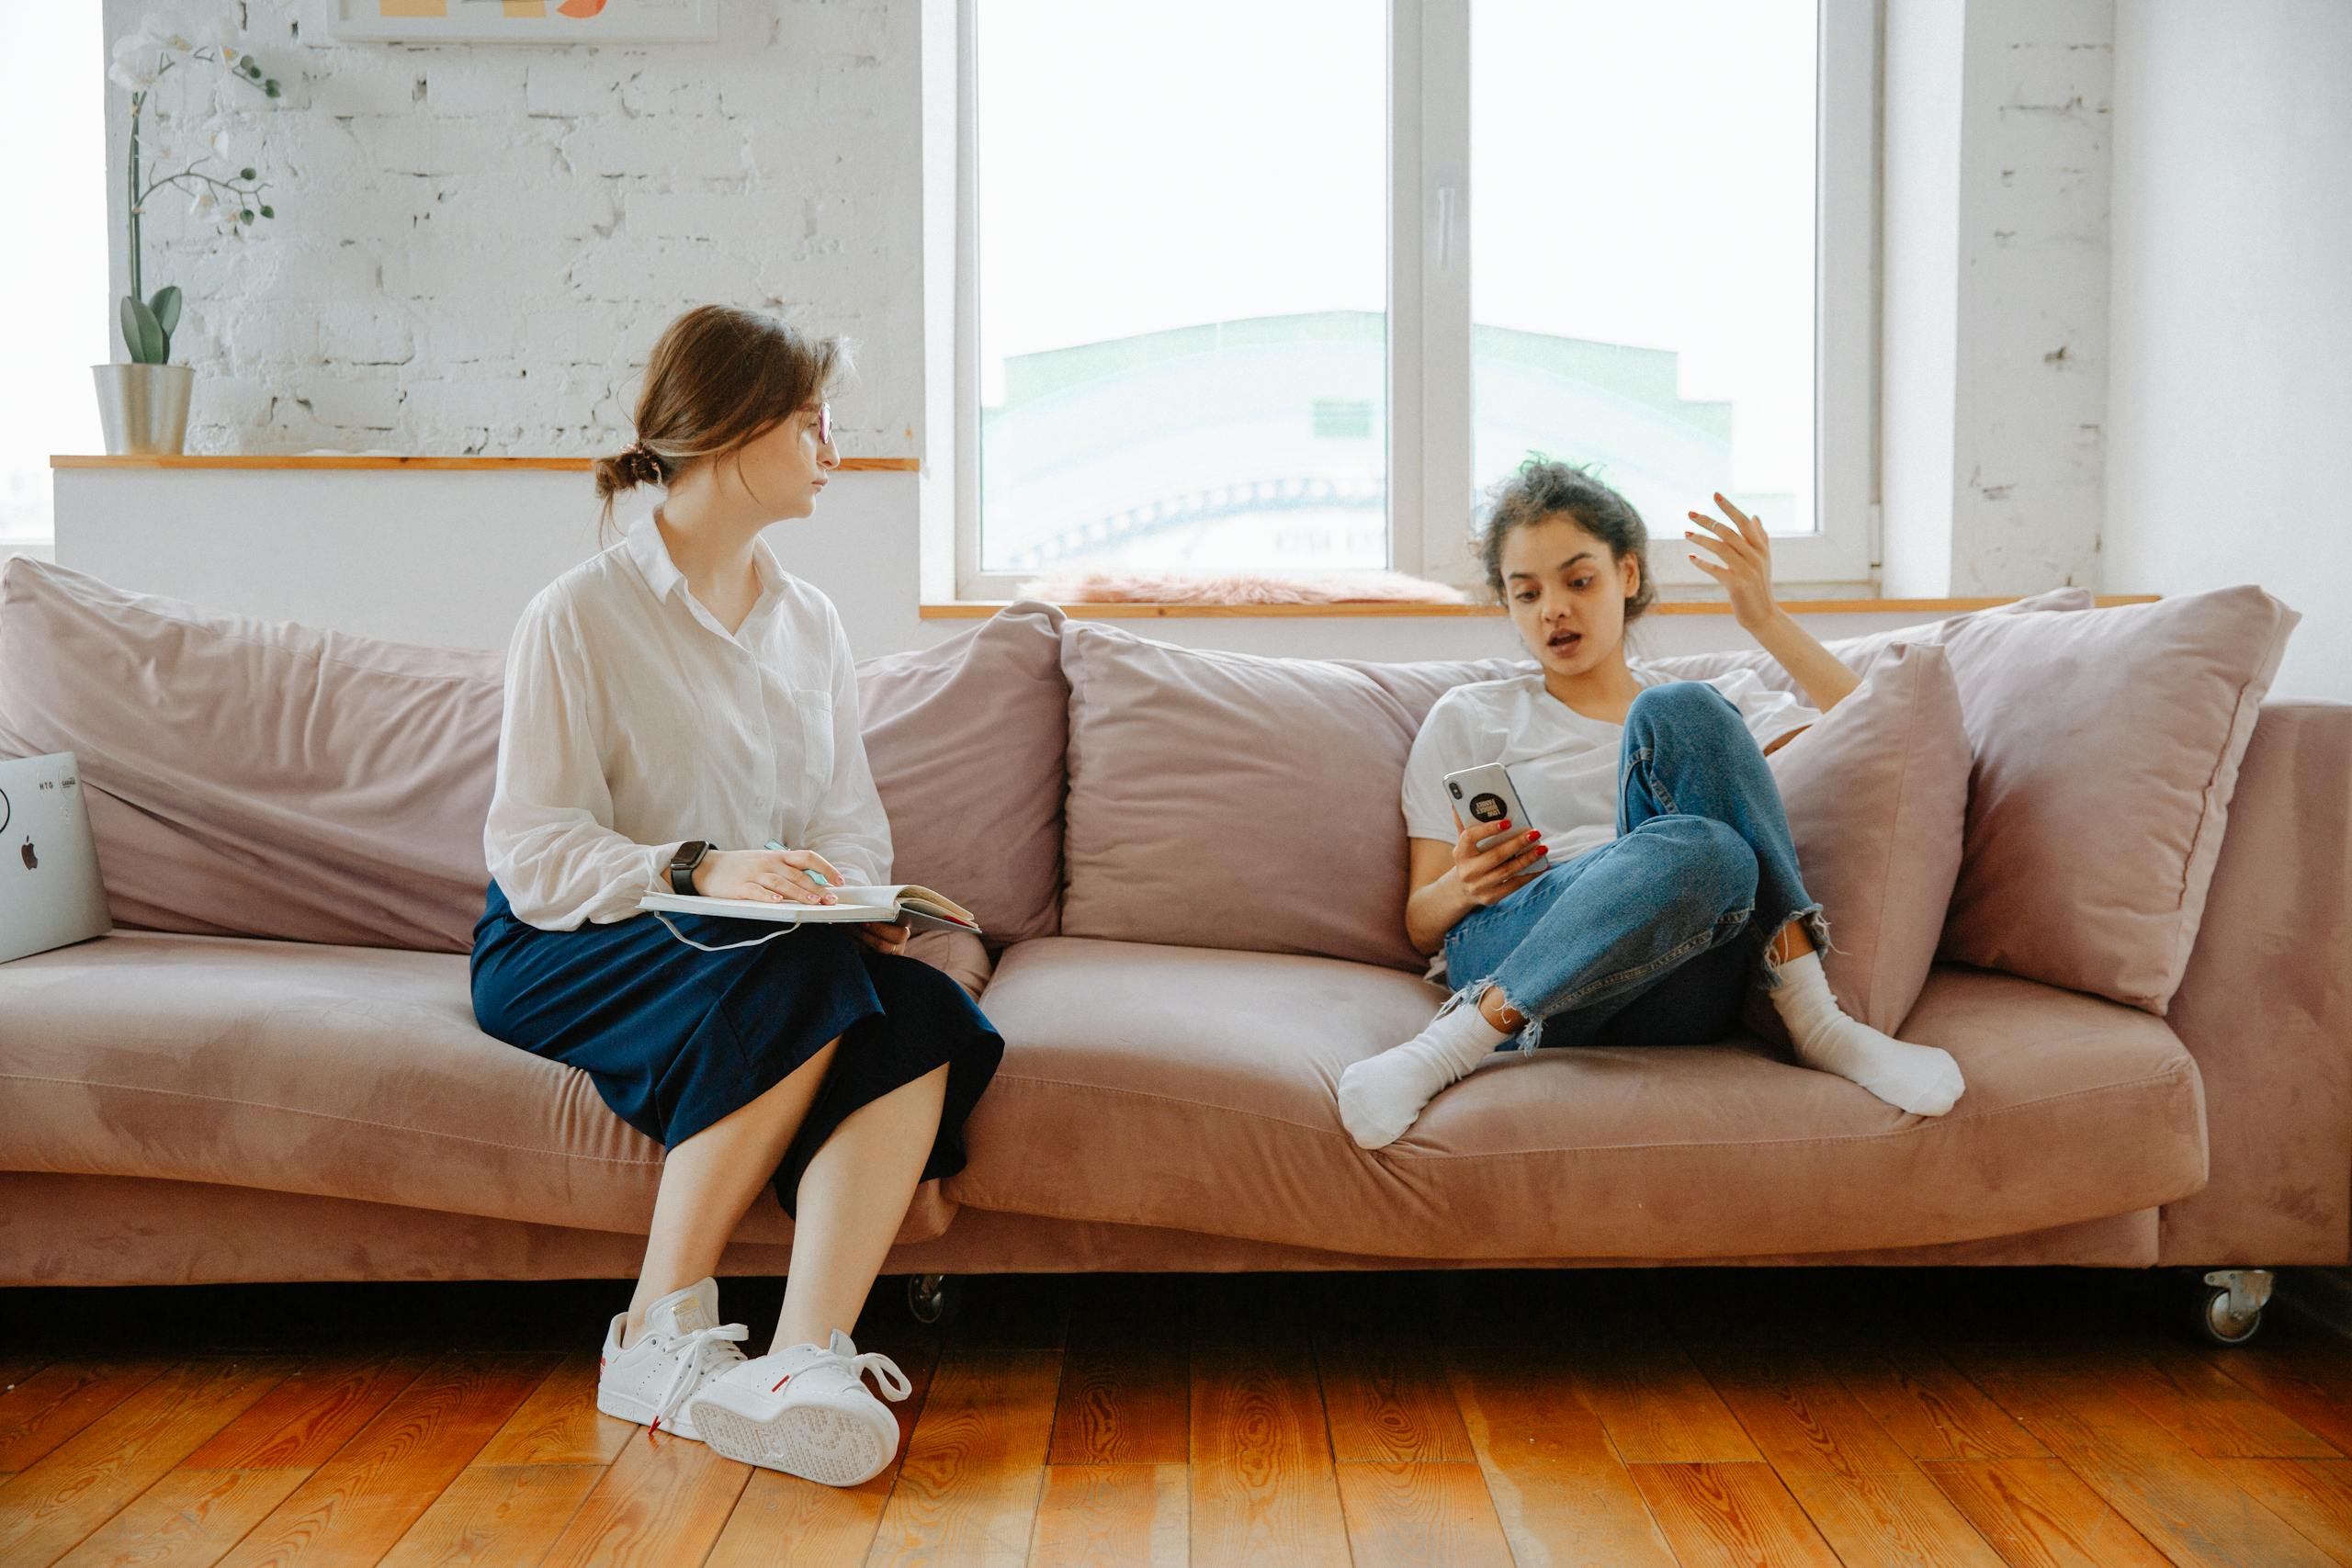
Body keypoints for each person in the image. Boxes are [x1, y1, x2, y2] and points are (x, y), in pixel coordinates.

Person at [469, 304, 1004, 1487]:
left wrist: (851, 890)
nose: (834, 450)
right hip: (575, 937)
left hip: (758, 944)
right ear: (736, 427)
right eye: (816, 424)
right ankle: (655, 1332)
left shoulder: (808, 621)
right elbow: (535, 846)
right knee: (803, 976)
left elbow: (842, 821)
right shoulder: (579, 615)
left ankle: (804, 1357)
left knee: (924, 1013)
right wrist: (702, 869)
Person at [1336, 458, 1965, 1150]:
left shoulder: (1701, 710)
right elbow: (1422, 924)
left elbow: (1881, 729)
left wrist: (1764, 616)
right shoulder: (1471, 715)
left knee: (1702, 799)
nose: (1553, 609)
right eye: (1526, 593)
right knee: (1709, 840)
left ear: (1627, 576)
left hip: (1676, 971)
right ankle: (1451, 1044)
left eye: (1579, 581)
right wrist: (1463, 883)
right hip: (1520, 941)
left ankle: (1815, 1020)